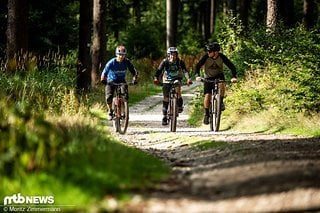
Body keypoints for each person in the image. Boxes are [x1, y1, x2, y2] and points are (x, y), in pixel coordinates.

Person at [195, 42, 237, 125]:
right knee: (207, 95)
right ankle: (206, 114)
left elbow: (231, 66)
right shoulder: (206, 57)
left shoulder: (221, 57)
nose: (208, 53)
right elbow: (197, 66)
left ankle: (220, 101)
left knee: (221, 84)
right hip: (208, 77)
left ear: (216, 52)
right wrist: (197, 76)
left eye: (210, 51)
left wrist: (234, 76)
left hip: (219, 75)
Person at [154, 47, 193, 125]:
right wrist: (156, 78)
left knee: (178, 89)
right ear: (168, 55)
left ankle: (179, 105)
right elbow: (159, 70)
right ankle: (164, 116)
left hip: (176, 78)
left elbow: (185, 71)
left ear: (177, 55)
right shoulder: (165, 61)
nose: (173, 56)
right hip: (166, 80)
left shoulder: (180, 61)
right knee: (166, 98)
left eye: (174, 54)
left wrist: (188, 79)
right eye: (171, 54)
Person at [101, 45, 138, 120]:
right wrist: (103, 79)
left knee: (125, 96)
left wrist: (135, 78)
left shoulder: (127, 62)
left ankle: (125, 112)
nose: (121, 56)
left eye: (123, 55)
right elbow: (104, 72)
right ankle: (110, 111)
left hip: (121, 81)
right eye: (120, 54)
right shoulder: (111, 62)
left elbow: (134, 71)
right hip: (111, 81)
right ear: (116, 54)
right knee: (108, 97)